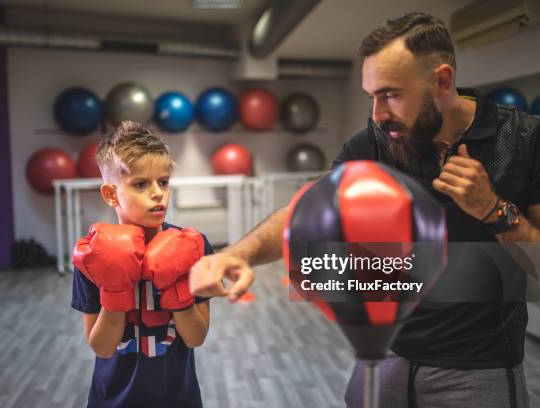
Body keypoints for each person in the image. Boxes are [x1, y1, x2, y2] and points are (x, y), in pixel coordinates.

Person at [190, 12, 540, 407]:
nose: (377, 114)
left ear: (442, 81)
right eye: (371, 96)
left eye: (390, 94)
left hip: (478, 368)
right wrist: (238, 254)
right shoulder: (377, 142)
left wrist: (492, 209)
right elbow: (306, 210)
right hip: (388, 351)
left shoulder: (525, 140)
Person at [71, 121, 212, 408]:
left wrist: (177, 288)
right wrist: (114, 291)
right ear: (111, 194)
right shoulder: (93, 255)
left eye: (163, 181)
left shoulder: (194, 246)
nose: (158, 193)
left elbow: (196, 337)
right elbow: (100, 346)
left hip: (179, 398)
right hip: (112, 400)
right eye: (140, 184)